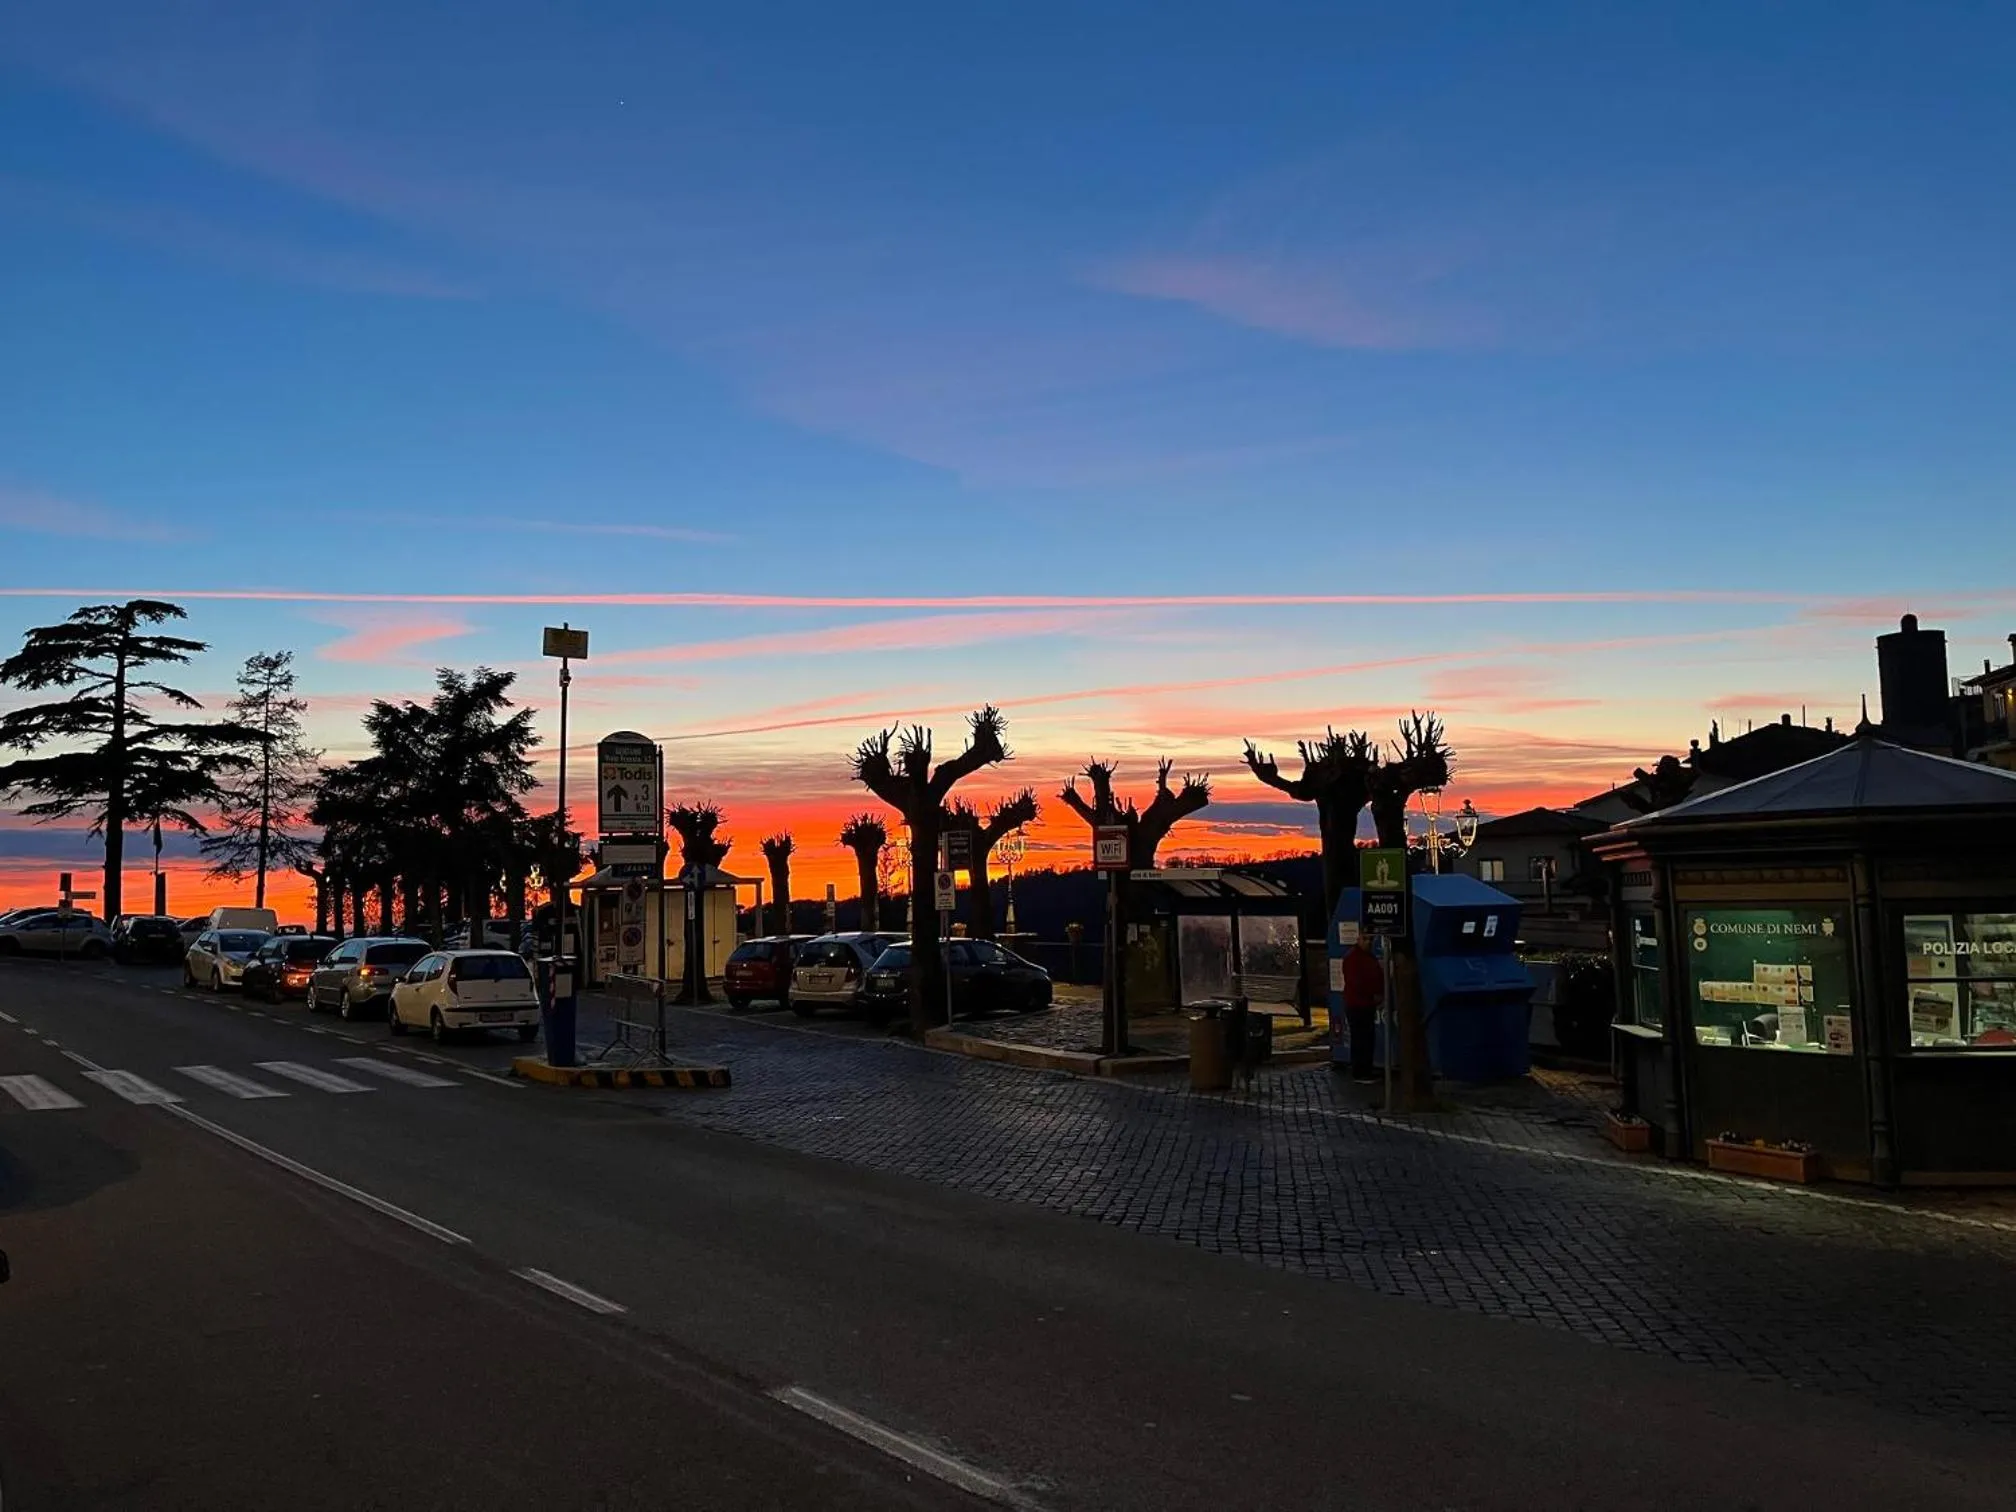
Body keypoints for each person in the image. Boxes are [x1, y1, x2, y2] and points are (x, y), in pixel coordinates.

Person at [1339, 937, 1385, 1084]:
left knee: (1366, 1038)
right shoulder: (1354, 958)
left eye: (1369, 939)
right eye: (1365, 939)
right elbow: (1357, 982)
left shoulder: (1366, 957)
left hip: (1365, 1003)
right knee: (1361, 1039)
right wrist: (1373, 993)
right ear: (1358, 939)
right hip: (1358, 1004)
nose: (1369, 942)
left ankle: (1365, 1070)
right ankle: (1360, 1072)